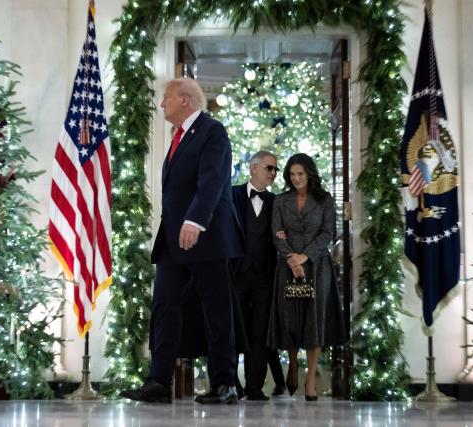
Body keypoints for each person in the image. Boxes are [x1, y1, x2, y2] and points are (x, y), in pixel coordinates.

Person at [120, 78, 242, 404]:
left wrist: (195, 220)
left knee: (216, 309)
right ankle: (158, 382)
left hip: (206, 234)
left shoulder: (212, 131)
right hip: (174, 238)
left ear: (185, 100)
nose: (162, 104)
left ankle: (224, 384)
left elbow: (213, 181)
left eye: (166, 98)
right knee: (164, 305)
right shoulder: (178, 137)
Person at [266, 153, 347, 401]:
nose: (296, 178)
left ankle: (310, 382)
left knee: (314, 322)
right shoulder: (280, 201)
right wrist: (292, 259)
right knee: (290, 319)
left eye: (300, 174)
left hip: (317, 268)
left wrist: (304, 257)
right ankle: (292, 363)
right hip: (287, 268)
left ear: (309, 174)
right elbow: (276, 235)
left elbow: (327, 233)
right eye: (292, 174)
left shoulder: (325, 201)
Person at [231, 151, 286, 400]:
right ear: (254, 168)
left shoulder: (277, 202)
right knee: (233, 330)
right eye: (270, 168)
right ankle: (231, 384)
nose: (274, 173)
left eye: (275, 169)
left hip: (265, 277)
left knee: (260, 332)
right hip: (236, 275)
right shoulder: (231, 195)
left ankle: (254, 386)